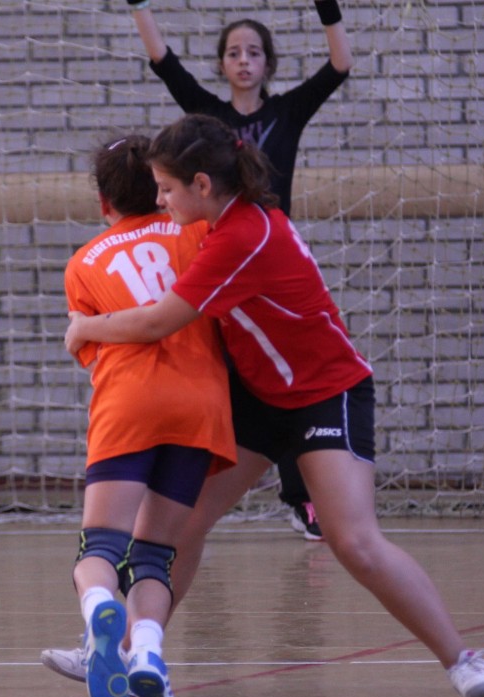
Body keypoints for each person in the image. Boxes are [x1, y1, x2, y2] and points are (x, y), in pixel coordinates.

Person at [63, 115, 484, 697]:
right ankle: (126, 651)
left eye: (166, 189)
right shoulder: (211, 225)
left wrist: (85, 327)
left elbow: (156, 322)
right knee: (178, 527)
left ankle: (463, 661)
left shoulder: (241, 237)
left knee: (354, 542)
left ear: (202, 185)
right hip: (258, 396)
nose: (159, 200)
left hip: (324, 391)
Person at [130, 0, 355, 540]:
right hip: (218, 264)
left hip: (267, 268)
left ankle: (302, 498)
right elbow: (164, 63)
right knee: (234, 374)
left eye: (254, 53)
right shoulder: (209, 122)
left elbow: (340, 66)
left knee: (289, 373)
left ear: (268, 63)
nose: (244, 61)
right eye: (234, 53)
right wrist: (139, 8)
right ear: (222, 64)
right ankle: (195, 490)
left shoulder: (287, 112)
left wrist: (329, 13)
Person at [60, 135, 235, 697]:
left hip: (128, 404)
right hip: (200, 404)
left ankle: (98, 612)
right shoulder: (198, 233)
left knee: (101, 546)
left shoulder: (84, 263)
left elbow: (90, 350)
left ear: (104, 201)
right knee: (156, 555)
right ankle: (148, 657)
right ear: (160, 190)